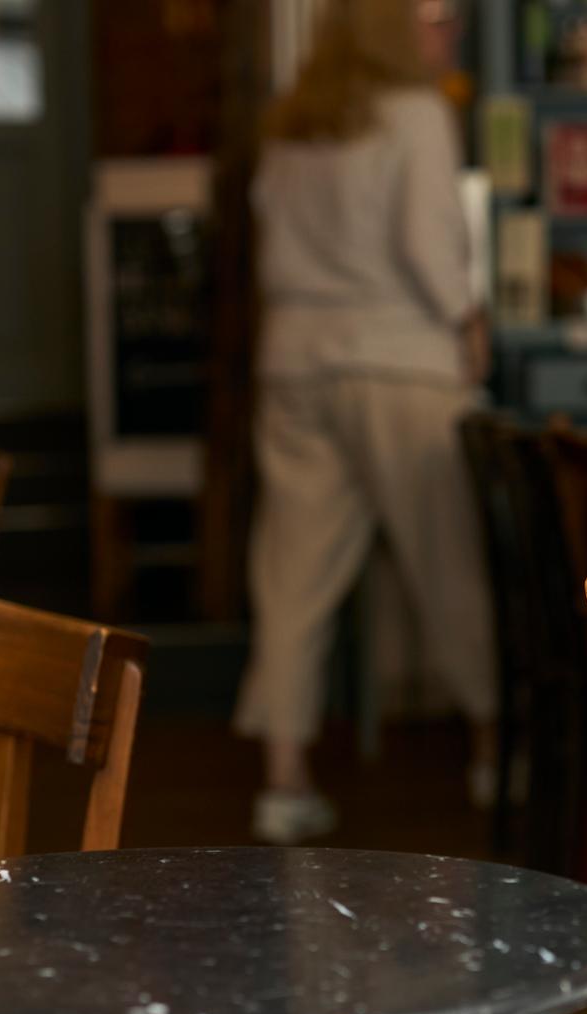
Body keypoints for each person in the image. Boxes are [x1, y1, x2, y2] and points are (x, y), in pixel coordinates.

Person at [234, 0, 496, 844]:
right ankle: (492, 750)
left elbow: (268, 241)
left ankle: (284, 779)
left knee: (291, 575)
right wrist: (469, 320)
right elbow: (428, 244)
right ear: (392, 29)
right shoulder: (417, 114)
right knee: (448, 561)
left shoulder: (292, 122)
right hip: (399, 363)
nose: (448, 33)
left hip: (297, 361)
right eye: (434, 19)